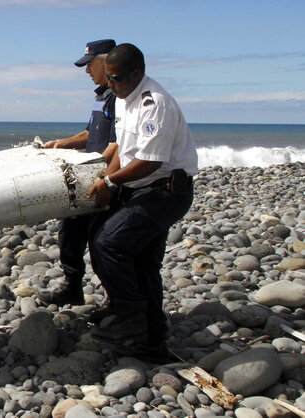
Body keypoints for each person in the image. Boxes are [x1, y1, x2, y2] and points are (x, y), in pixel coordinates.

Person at [87, 44, 198, 361]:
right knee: (141, 262)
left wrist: (109, 181)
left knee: (109, 243)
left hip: (164, 191)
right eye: (107, 78)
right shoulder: (124, 98)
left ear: (137, 73)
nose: (110, 85)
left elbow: (150, 161)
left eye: (116, 78)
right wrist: (109, 179)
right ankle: (152, 342)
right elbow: (124, 146)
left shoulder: (155, 105)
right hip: (140, 188)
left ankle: (131, 318)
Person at [39, 39, 118, 307]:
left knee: (102, 243)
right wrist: (61, 143)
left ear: (106, 62)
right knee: (70, 232)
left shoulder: (119, 98)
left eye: (89, 65)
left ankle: (115, 300)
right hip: (88, 176)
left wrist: (104, 178)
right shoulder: (101, 97)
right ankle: (72, 286)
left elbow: (118, 145)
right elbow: (88, 134)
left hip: (105, 179)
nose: (86, 71)